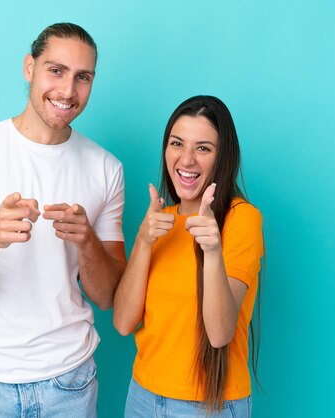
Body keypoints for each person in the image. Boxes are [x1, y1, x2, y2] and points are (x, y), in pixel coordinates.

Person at [0, 23, 126, 417]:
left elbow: (108, 297)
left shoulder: (106, 168)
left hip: (69, 385)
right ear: (29, 68)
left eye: (82, 77)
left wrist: (87, 241)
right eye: (56, 70)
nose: (68, 91)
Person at [113, 95, 263, 417]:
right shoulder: (160, 220)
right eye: (177, 143)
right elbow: (124, 323)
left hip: (208, 406)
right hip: (141, 396)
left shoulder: (242, 219)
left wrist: (212, 252)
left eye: (203, 148)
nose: (187, 160)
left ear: (223, 157)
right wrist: (142, 241)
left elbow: (220, 333)